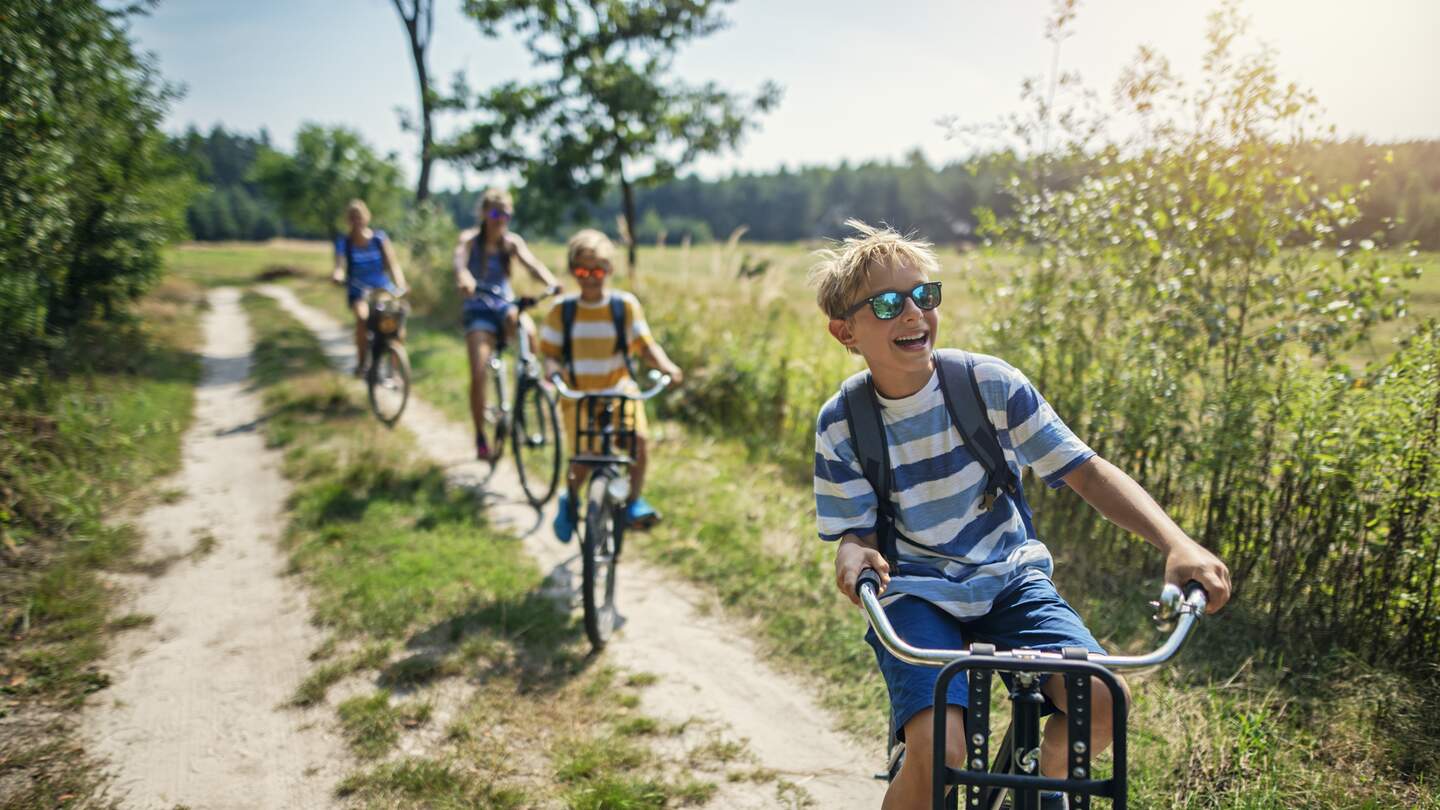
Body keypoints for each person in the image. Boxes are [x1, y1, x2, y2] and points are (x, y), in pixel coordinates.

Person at [809, 220, 1231, 810]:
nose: (913, 314)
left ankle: (1034, 789)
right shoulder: (843, 421)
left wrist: (1175, 543)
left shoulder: (990, 384)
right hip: (914, 591)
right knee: (941, 755)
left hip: (1010, 578)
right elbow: (856, 534)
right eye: (885, 304)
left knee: (1103, 704)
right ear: (844, 331)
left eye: (924, 296)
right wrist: (852, 552)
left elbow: (1085, 470)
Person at [539, 228, 683, 542]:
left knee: (638, 444)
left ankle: (633, 501)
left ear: (610, 270)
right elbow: (549, 354)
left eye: (598, 270)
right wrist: (552, 373)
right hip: (579, 395)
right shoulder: (561, 311)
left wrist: (668, 367)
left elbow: (646, 347)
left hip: (620, 391)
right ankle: (571, 498)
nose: (591, 278)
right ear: (573, 271)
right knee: (584, 457)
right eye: (582, 271)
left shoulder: (624, 306)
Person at [453, 187, 564, 460]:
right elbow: (460, 263)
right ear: (483, 214)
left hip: (503, 305)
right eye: (494, 212)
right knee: (478, 372)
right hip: (479, 308)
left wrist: (551, 282)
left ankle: (532, 380)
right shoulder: (470, 240)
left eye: (505, 213)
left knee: (527, 328)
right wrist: (464, 279)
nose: (500, 219)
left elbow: (532, 264)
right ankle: (480, 436)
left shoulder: (511, 243)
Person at [330, 199, 407, 376]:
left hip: (382, 290)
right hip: (359, 291)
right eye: (352, 218)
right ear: (348, 220)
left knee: (396, 324)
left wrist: (400, 284)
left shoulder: (379, 239)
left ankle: (394, 370)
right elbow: (340, 265)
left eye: (359, 217)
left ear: (367, 217)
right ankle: (362, 363)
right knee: (363, 318)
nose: (356, 221)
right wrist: (338, 275)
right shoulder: (345, 243)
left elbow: (393, 265)